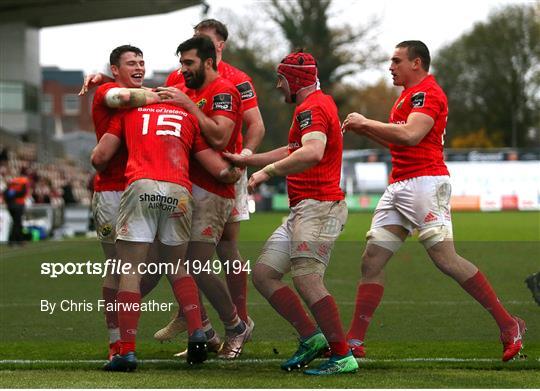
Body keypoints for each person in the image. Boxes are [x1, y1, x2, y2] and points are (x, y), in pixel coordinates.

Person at [342, 40, 526, 362]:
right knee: (371, 261)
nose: (390, 66)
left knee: (445, 260)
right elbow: (400, 143)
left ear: (417, 63)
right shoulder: (405, 98)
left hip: (426, 183)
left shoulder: (428, 93)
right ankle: (354, 342)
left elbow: (411, 135)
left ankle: (509, 324)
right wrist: (366, 130)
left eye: (396, 60)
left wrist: (366, 123)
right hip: (399, 186)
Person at [225, 50, 358, 375]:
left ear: (296, 80)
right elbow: (294, 149)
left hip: (320, 208)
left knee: (307, 279)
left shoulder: (312, 107)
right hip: (304, 209)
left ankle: (342, 356)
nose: (279, 86)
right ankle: (311, 338)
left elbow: (312, 152)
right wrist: (248, 161)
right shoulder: (313, 107)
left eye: (282, 79)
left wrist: (268, 172)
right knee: (264, 274)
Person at [91, 97, 241, 371]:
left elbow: (99, 158)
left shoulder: (129, 111)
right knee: (177, 265)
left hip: (142, 185)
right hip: (178, 191)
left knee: (130, 270)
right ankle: (198, 332)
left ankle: (126, 352)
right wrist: (238, 166)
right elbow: (221, 170)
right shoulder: (187, 115)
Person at [155, 19, 263, 349]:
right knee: (176, 258)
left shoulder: (233, 84)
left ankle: (235, 322)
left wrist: (244, 156)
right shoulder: (183, 81)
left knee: (218, 250)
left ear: (216, 51)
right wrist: (108, 81)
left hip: (222, 174)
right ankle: (197, 321)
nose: (183, 69)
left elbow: (247, 126)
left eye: (190, 60)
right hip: (186, 180)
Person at [88, 44, 161, 361]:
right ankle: (117, 342)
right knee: (118, 267)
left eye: (142, 63)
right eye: (131, 63)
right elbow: (125, 98)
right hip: (111, 191)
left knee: (154, 265)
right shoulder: (106, 90)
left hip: (140, 189)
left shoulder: (137, 94)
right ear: (115, 70)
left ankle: (121, 323)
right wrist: (161, 95)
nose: (139, 67)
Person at [3, 170, 30, 246]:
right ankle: (13, 241)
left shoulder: (12, 183)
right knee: (17, 223)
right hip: (18, 205)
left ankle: (19, 240)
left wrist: (9, 201)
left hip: (11, 205)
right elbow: (24, 192)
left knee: (16, 222)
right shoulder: (24, 182)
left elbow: (6, 193)